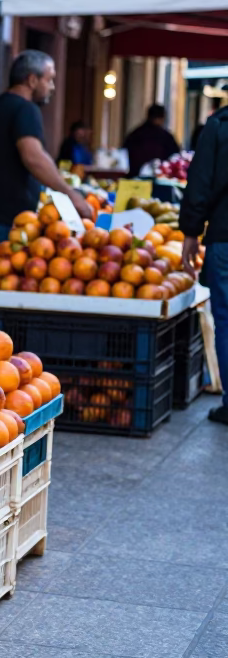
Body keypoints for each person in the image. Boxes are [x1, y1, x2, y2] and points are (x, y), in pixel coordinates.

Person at [0, 50, 93, 262]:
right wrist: (70, 193)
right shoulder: (26, 110)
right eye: (49, 80)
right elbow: (33, 157)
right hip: (8, 224)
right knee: (5, 288)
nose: (52, 87)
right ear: (32, 80)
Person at [180, 103, 228, 425]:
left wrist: (190, 232)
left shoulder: (219, 126)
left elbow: (200, 183)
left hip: (226, 237)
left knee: (226, 321)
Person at [124, 103, 179, 176]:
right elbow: (174, 158)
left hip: (135, 178)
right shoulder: (166, 137)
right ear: (162, 118)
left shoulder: (135, 134)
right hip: (159, 178)